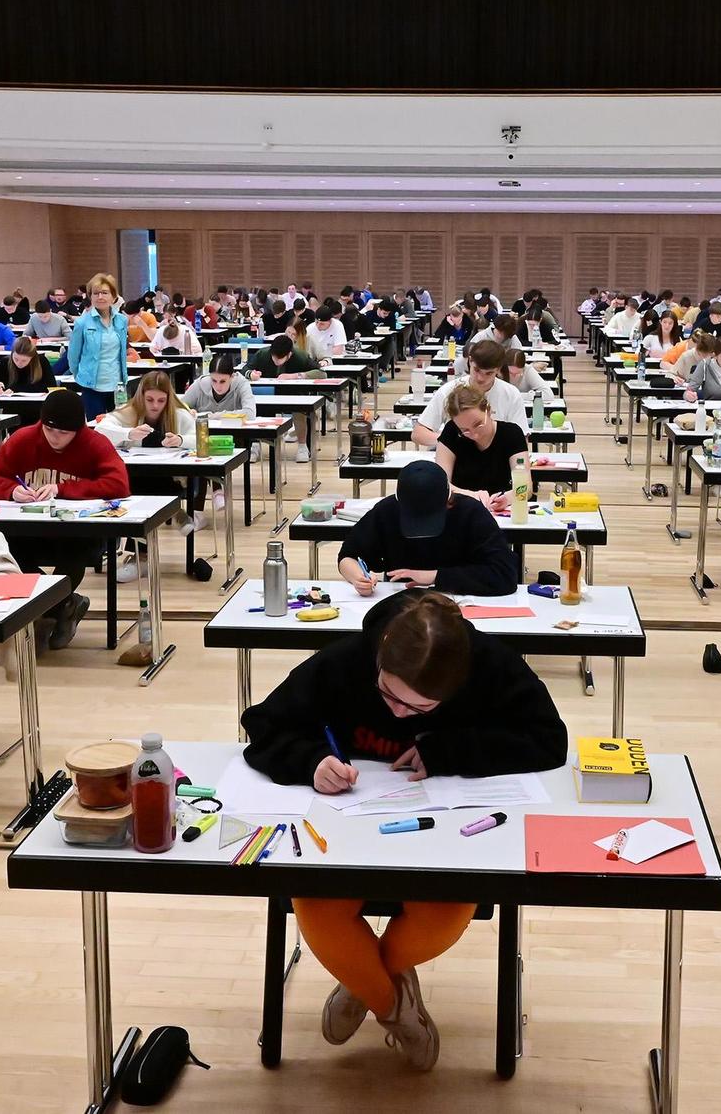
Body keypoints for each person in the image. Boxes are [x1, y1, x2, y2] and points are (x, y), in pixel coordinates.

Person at [240, 588, 566, 1070]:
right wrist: (310, 761)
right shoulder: (347, 660)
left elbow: (549, 742)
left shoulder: (491, 665)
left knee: (444, 911)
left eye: (420, 709)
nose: (397, 713)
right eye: (388, 693)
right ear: (381, 655)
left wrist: (449, 751)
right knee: (319, 905)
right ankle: (394, 1006)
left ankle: (363, 982)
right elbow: (263, 725)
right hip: (342, 831)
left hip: (447, 835)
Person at [0, 389, 128, 649]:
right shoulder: (23, 439)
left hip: (77, 532)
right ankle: (63, 605)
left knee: (75, 552)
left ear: (78, 430)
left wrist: (63, 488)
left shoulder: (95, 443)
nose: (54, 437)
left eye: (63, 433)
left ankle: (50, 609)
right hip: (29, 530)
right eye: (49, 430)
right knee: (6, 552)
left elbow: (119, 484)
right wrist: (11, 490)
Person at [335, 461, 515, 596]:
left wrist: (436, 576)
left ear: (449, 500)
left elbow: (505, 575)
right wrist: (358, 578)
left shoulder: (471, 514)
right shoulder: (386, 511)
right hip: (402, 606)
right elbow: (348, 555)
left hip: (461, 604)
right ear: (400, 502)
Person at [98, 370, 206, 535]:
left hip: (170, 477)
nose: (155, 406)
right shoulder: (128, 412)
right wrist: (128, 433)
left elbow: (201, 438)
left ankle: (140, 547)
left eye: (161, 400)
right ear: (141, 397)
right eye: (149, 400)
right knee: (138, 483)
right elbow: (100, 431)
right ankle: (174, 510)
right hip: (135, 476)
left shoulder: (179, 414)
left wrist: (180, 440)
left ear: (168, 399)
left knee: (145, 487)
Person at [411, 340, 526, 448]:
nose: (480, 378)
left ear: (498, 369)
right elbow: (418, 433)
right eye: (477, 370)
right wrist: (451, 441)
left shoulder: (511, 394)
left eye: (488, 373)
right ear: (470, 361)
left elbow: (522, 439)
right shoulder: (449, 390)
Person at [432, 385, 529, 508]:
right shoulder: (452, 432)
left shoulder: (512, 434)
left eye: (478, 424)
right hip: (463, 510)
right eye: (465, 430)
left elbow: (526, 486)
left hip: (502, 511)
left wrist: (508, 498)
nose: (474, 434)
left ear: (488, 410)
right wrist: (472, 495)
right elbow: (441, 483)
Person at [64, 273, 131, 420]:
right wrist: (81, 374)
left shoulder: (122, 321)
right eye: (96, 293)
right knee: (96, 427)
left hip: (118, 384)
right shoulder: (82, 323)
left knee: (120, 425)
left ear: (114, 296)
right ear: (90, 297)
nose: (100, 297)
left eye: (105, 293)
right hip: (91, 385)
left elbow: (122, 352)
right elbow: (73, 356)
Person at [182, 354, 258, 418]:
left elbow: (250, 414)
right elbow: (179, 407)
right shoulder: (200, 384)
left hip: (232, 430)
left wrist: (211, 416)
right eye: (214, 380)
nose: (218, 386)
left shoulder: (242, 384)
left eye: (223, 381)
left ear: (232, 377)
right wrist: (187, 411)